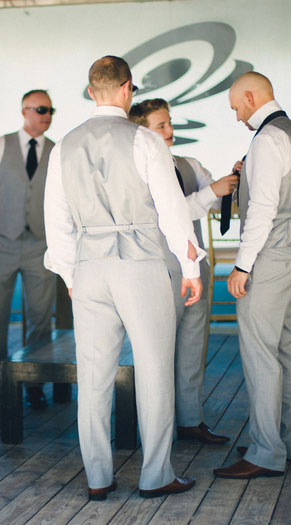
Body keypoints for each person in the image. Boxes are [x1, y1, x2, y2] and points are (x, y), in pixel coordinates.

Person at [44, 55, 203, 501]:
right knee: (154, 371)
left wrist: (70, 274)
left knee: (93, 377)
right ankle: (156, 475)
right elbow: (172, 212)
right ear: (128, 88)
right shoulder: (145, 142)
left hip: (90, 268)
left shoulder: (65, 146)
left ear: (91, 91)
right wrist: (190, 269)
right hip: (141, 265)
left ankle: (97, 477)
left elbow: (56, 220)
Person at [213, 72, 291, 480]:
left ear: (251, 98)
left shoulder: (268, 139)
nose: (237, 116)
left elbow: (263, 209)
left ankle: (265, 451)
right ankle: (283, 441)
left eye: (237, 107)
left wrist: (241, 265)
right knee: (285, 348)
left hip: (270, 256)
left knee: (259, 352)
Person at [128, 99, 238, 444]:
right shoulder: (136, 171)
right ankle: (155, 427)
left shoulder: (189, 164)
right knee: (158, 350)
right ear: (142, 132)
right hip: (156, 270)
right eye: (161, 126)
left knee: (193, 345)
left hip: (196, 268)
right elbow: (170, 214)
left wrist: (237, 181)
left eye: (169, 123)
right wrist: (211, 193)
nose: (170, 131)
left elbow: (222, 200)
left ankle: (191, 420)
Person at [0, 89, 57, 409]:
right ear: (25, 111)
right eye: (42, 109)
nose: (47, 115)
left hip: (41, 245)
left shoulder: (56, 152)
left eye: (51, 110)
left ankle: (34, 379)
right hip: (1, 242)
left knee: (40, 316)